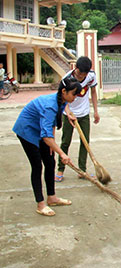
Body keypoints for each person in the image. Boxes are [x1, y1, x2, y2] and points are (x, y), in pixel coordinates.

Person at [13, 77, 81, 216]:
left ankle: (52, 198)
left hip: (41, 131)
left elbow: (52, 126)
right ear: (64, 91)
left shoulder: (61, 100)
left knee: (50, 161)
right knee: (37, 166)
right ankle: (40, 204)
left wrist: (53, 144)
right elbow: (46, 136)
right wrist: (62, 153)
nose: (75, 97)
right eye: (74, 94)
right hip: (27, 131)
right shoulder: (50, 105)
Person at [55, 56, 100, 182]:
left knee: (85, 142)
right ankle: (60, 168)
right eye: (80, 74)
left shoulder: (91, 76)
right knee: (65, 141)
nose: (81, 77)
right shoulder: (67, 79)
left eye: (84, 74)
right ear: (76, 68)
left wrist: (95, 111)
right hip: (69, 114)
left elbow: (94, 92)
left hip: (84, 113)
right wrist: (69, 113)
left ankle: (82, 170)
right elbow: (62, 99)